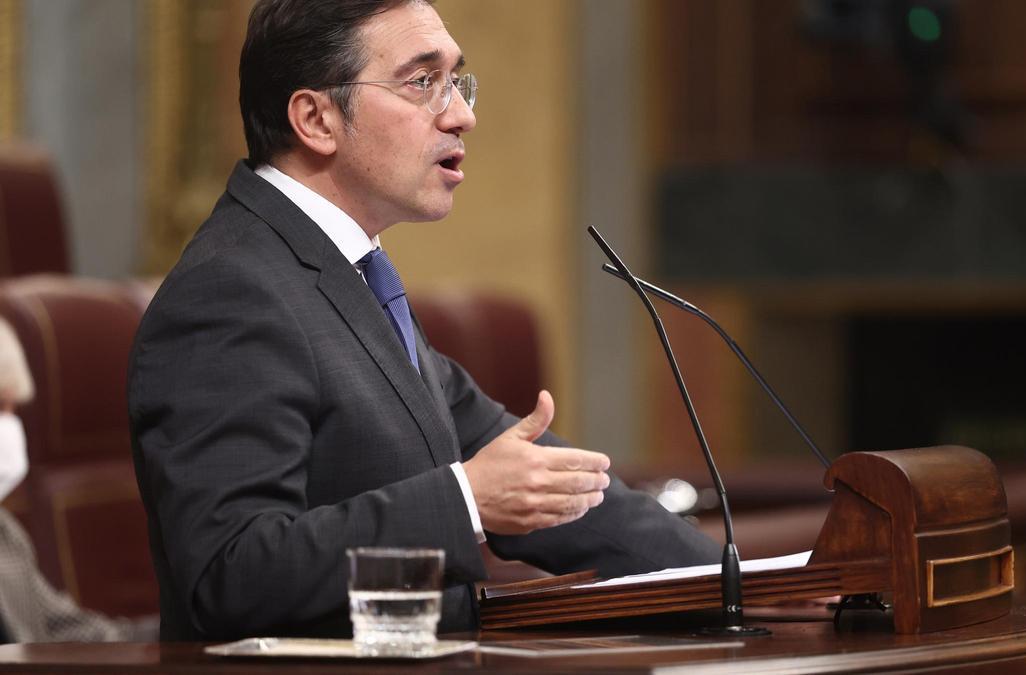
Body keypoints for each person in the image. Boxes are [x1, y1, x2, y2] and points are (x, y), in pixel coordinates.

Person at [128, 0, 719, 641]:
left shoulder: (346, 272)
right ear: (316, 118)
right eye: (421, 82)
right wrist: (466, 501)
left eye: (455, 82)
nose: (462, 114)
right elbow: (228, 573)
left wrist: (754, 582)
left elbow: (546, 482)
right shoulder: (232, 292)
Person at [0, 318, 156, 643]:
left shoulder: (5, 533)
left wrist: (199, 631)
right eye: (0, 406)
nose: (10, 427)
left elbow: (75, 634)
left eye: (13, 409)